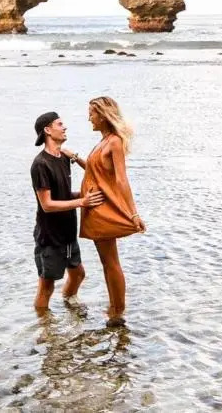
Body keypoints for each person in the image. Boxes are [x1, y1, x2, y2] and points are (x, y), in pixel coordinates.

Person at [77, 97, 145, 328]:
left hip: (102, 210)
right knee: (107, 262)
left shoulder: (114, 142)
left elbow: (121, 179)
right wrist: (76, 158)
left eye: (92, 113)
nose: (89, 118)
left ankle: (118, 312)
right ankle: (114, 307)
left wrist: (133, 214)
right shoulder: (103, 141)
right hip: (93, 209)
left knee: (111, 262)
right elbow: (97, 171)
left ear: (104, 115)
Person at [31, 111, 103, 312]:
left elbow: (93, 173)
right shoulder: (40, 164)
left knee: (78, 274)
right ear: (47, 130)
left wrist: (76, 158)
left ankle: (69, 301)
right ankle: (44, 326)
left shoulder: (63, 158)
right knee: (46, 287)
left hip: (68, 232)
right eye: (60, 124)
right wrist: (82, 202)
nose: (65, 127)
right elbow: (47, 204)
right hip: (50, 236)